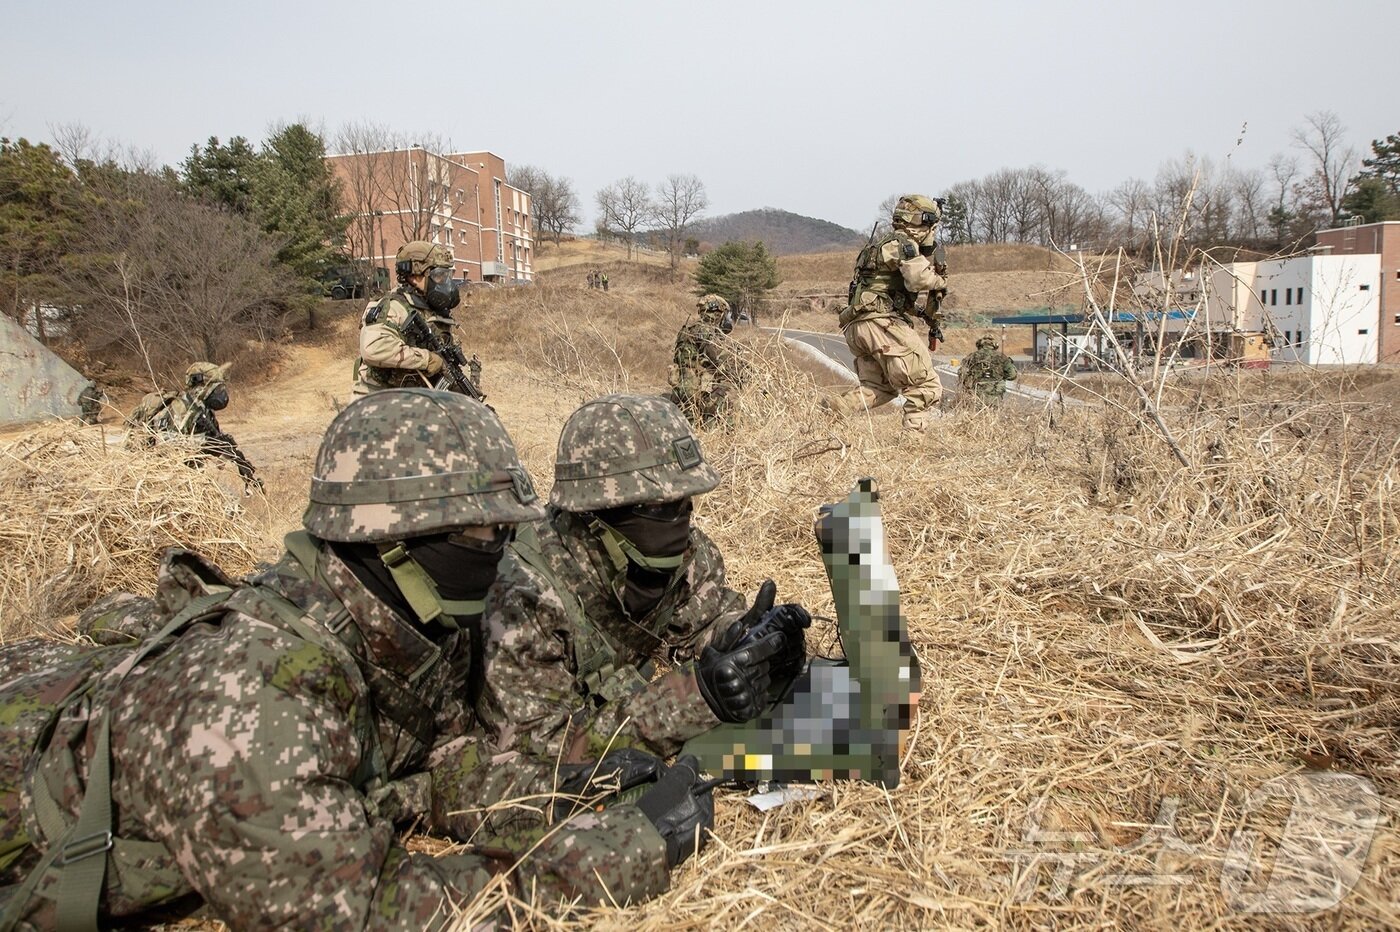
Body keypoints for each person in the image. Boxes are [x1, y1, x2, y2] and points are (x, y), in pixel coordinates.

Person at [0, 389, 713, 930]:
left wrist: (565, 794)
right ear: (389, 541)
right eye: (480, 534)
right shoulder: (248, 709)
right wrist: (600, 864)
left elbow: (447, 761)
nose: (501, 555)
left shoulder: (407, 618)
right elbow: (360, 909)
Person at [467, 393, 810, 787]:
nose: (681, 523)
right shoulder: (524, 596)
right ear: (594, 516)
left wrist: (753, 641)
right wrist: (691, 699)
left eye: (685, 503)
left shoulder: (683, 556)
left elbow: (705, 620)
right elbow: (538, 751)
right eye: (661, 508)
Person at [827, 194, 948, 433]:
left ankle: (833, 409)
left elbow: (890, 290)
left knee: (880, 388)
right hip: (881, 323)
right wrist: (940, 281)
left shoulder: (876, 246)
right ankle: (913, 442)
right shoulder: (903, 244)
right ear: (921, 221)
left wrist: (921, 312)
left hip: (859, 326)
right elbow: (918, 279)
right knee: (925, 385)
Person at [353, 241, 469, 396]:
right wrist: (427, 359)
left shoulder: (429, 309)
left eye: (446, 275)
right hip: (378, 400)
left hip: (412, 397)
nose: (445, 282)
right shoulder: (392, 306)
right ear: (415, 275)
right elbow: (373, 349)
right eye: (439, 275)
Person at [126, 361, 260, 490]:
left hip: (187, 475)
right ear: (200, 386)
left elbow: (206, 441)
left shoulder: (203, 410)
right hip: (163, 476)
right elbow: (167, 444)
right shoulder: (182, 408)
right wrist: (208, 443)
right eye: (216, 388)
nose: (221, 393)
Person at [669, 294, 743, 429]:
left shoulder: (688, 329)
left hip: (681, 389)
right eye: (725, 315)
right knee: (729, 390)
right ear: (719, 313)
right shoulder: (707, 331)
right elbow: (720, 360)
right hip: (697, 391)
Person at [958, 336, 1018, 406]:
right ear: (995, 345)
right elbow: (1012, 375)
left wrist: (968, 384)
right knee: (994, 414)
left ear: (979, 345)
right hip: (995, 396)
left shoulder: (972, 356)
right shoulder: (1001, 357)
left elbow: (962, 374)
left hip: (975, 395)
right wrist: (1001, 376)